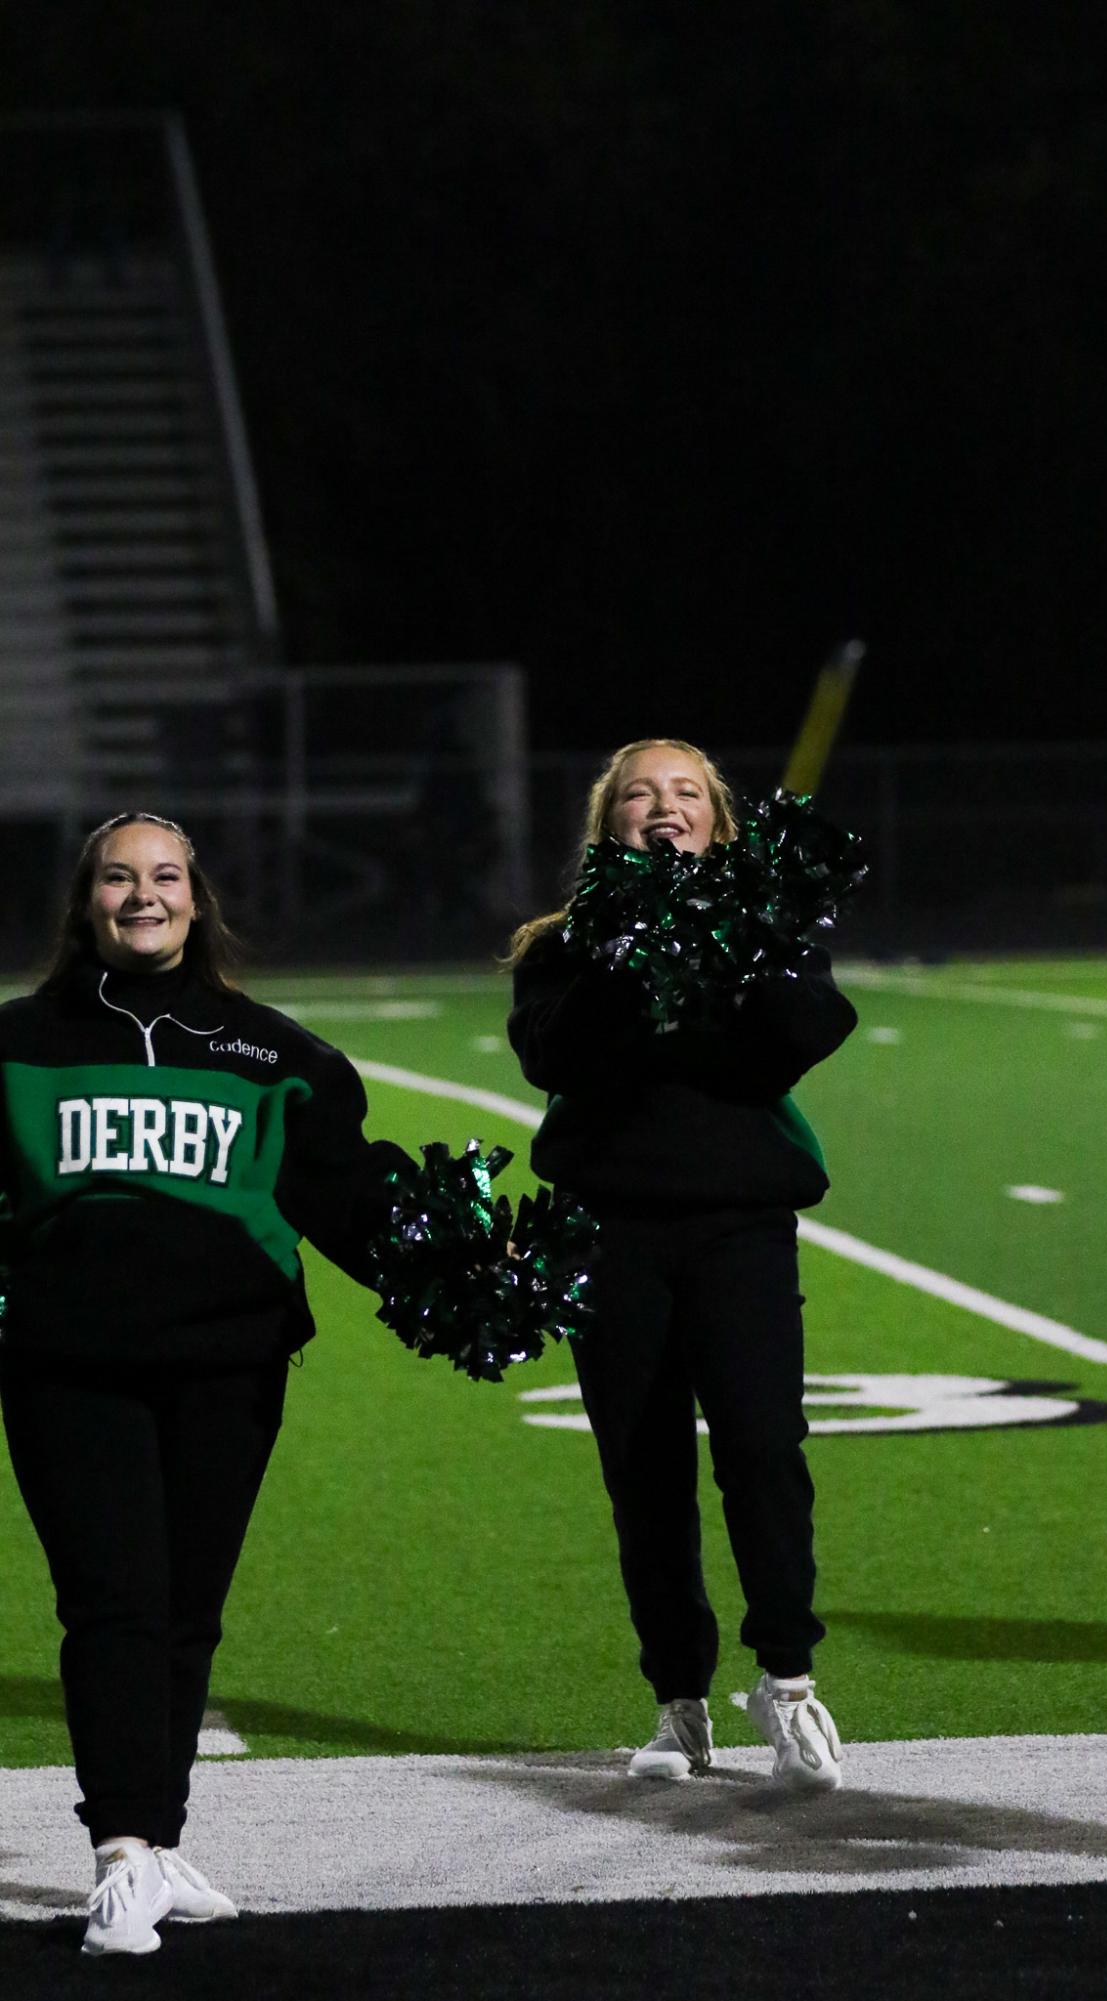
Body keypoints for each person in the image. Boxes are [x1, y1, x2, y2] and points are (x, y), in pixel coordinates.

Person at [0, 812, 414, 1955]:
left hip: (228, 1365)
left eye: (166, 877)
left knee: (186, 1609)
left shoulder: (274, 1054)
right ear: (86, 902)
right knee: (115, 1602)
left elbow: (350, 1203)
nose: (145, 896)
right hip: (69, 1366)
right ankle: (121, 1853)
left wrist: (469, 1269)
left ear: (198, 899)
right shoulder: (14, 1045)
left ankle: (161, 1839)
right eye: (120, 878)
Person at [507, 739, 857, 1788]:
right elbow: (556, 1060)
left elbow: (795, 1038)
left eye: (687, 794)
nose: (664, 809)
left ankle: (786, 1684)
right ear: (607, 824)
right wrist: (630, 952)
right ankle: (678, 1701)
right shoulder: (561, 947)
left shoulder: (765, 928)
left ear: (716, 820)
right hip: (610, 1229)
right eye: (640, 797)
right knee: (643, 1472)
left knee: (760, 1447)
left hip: (737, 1222)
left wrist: (741, 934)